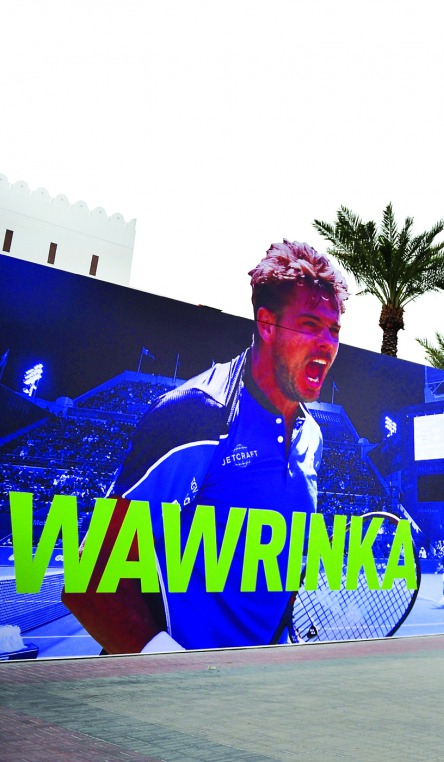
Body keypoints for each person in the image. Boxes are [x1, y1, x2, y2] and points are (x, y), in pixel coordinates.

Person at [63, 240, 350, 654]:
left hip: (260, 692)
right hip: (172, 698)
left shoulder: (313, 437)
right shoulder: (198, 414)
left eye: (334, 329)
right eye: (309, 324)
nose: (327, 343)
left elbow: (280, 566)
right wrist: (178, 674)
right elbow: (88, 581)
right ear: (267, 325)